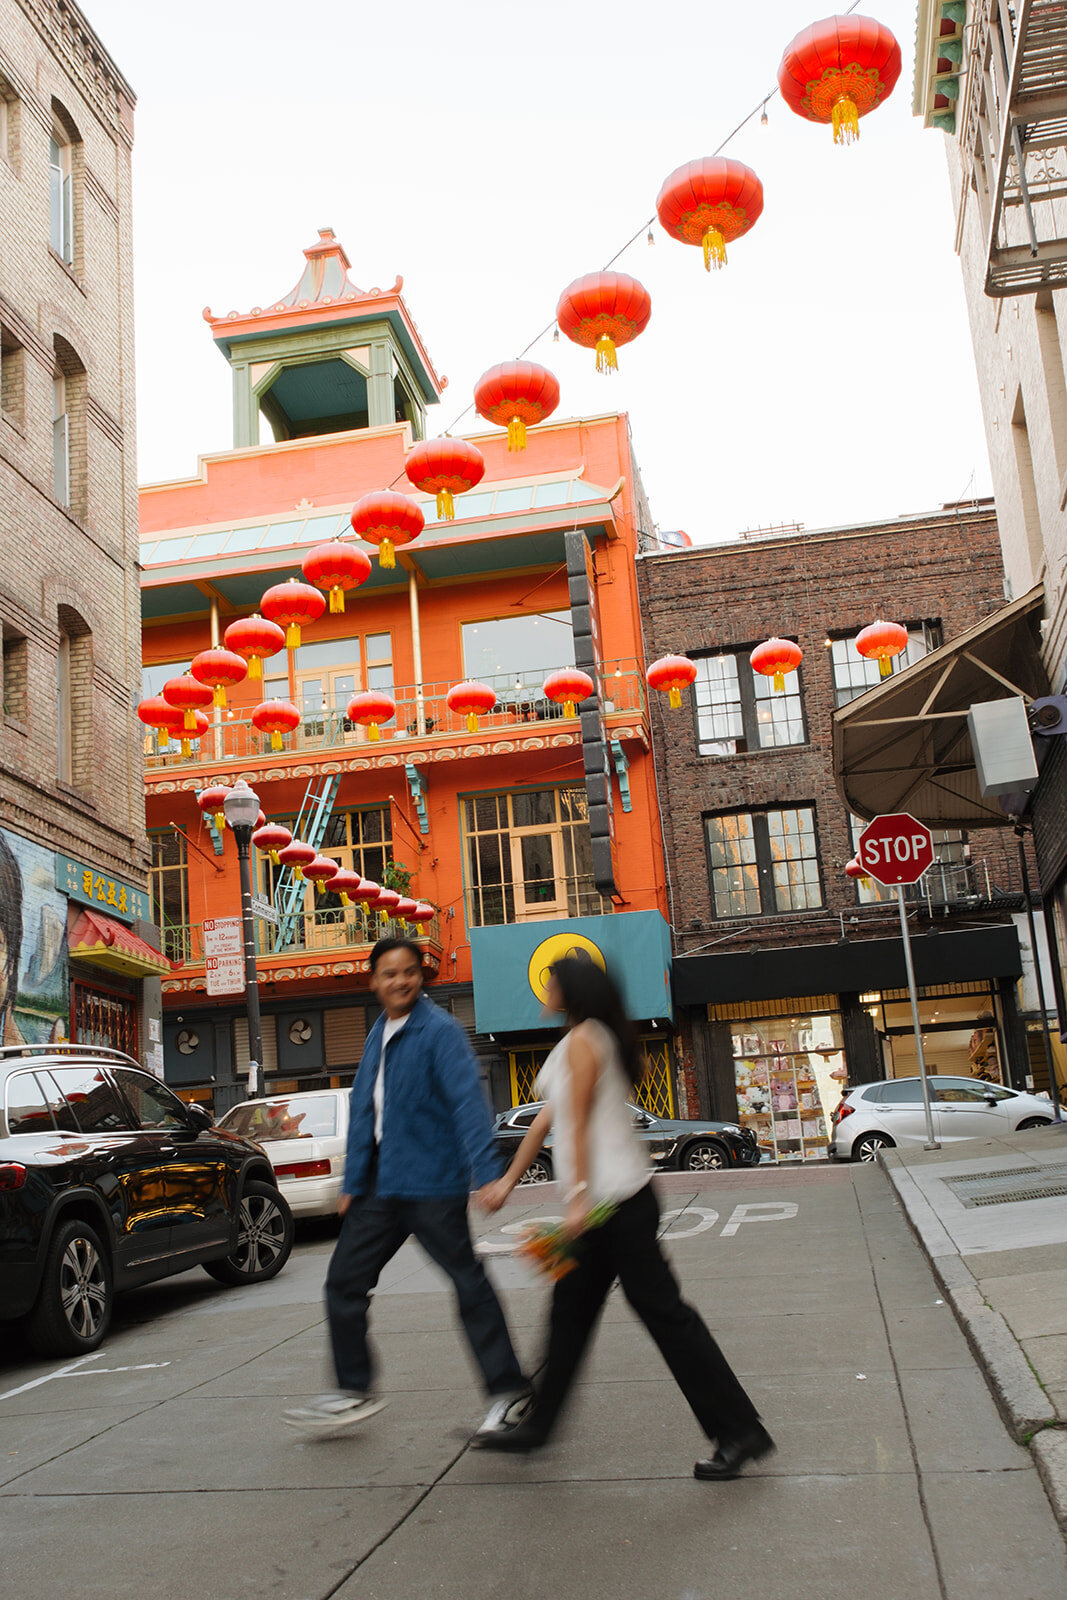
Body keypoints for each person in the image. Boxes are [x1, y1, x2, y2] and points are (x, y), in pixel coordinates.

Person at [476, 956, 774, 1481]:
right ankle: (539, 1426)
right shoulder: (579, 1039)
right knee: (569, 1317)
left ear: (570, 990)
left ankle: (739, 1430)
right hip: (607, 1206)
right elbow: (548, 1119)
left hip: (614, 1207)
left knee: (666, 1318)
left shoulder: (589, 1039)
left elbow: (581, 1124)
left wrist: (576, 1201)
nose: (545, 988)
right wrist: (507, 1180)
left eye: (552, 980)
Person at [284, 937, 529, 1438]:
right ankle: (353, 1390)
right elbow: (364, 1110)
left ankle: (511, 1392)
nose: (401, 981)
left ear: (421, 978)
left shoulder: (439, 1032)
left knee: (467, 1282)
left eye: (410, 972)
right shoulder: (379, 1031)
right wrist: (353, 1181)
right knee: (344, 1283)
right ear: (373, 980)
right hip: (380, 1187)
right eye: (390, 973)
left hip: (431, 1186)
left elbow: (467, 1103)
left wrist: (486, 1174)